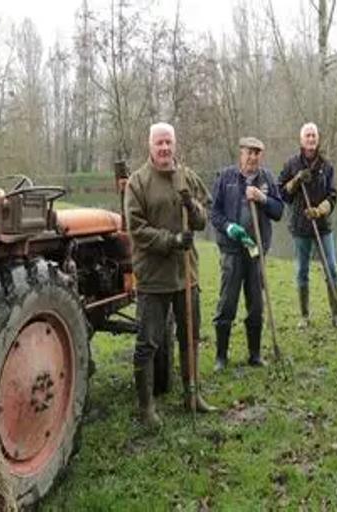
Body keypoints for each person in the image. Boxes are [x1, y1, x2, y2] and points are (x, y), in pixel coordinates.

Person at [124, 122, 216, 428]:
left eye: (168, 143)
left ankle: (192, 394)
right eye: (159, 143)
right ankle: (146, 407)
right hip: (154, 277)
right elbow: (137, 230)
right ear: (149, 145)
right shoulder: (137, 183)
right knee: (148, 343)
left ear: (175, 144)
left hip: (186, 274)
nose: (164, 148)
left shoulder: (187, 177)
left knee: (190, 337)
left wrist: (191, 204)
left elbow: (202, 219)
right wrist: (172, 240)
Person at [211, 137, 283, 370]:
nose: (252, 157)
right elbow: (214, 213)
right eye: (248, 152)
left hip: (256, 251)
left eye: (257, 153)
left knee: (256, 306)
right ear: (240, 154)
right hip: (231, 251)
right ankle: (221, 357)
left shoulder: (267, 179)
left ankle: (255, 355)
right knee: (227, 304)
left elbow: (279, 211)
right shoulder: (226, 178)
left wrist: (262, 198)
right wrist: (228, 227)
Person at [278, 122, 337, 329]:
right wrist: (296, 181)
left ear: (318, 139)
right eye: (307, 135)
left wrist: (320, 210)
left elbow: (333, 196)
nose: (311, 139)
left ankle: (336, 314)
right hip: (300, 226)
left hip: (322, 226)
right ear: (301, 139)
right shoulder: (291, 164)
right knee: (302, 271)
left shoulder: (327, 166)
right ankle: (304, 316)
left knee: (331, 270)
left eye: (314, 135)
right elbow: (282, 194)